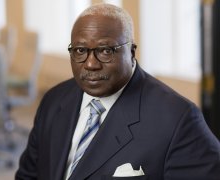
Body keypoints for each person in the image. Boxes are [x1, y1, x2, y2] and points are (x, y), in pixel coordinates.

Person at [15, 3, 220, 180]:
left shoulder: (178, 120)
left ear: (131, 53)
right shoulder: (54, 100)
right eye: (80, 50)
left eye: (106, 50)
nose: (91, 64)